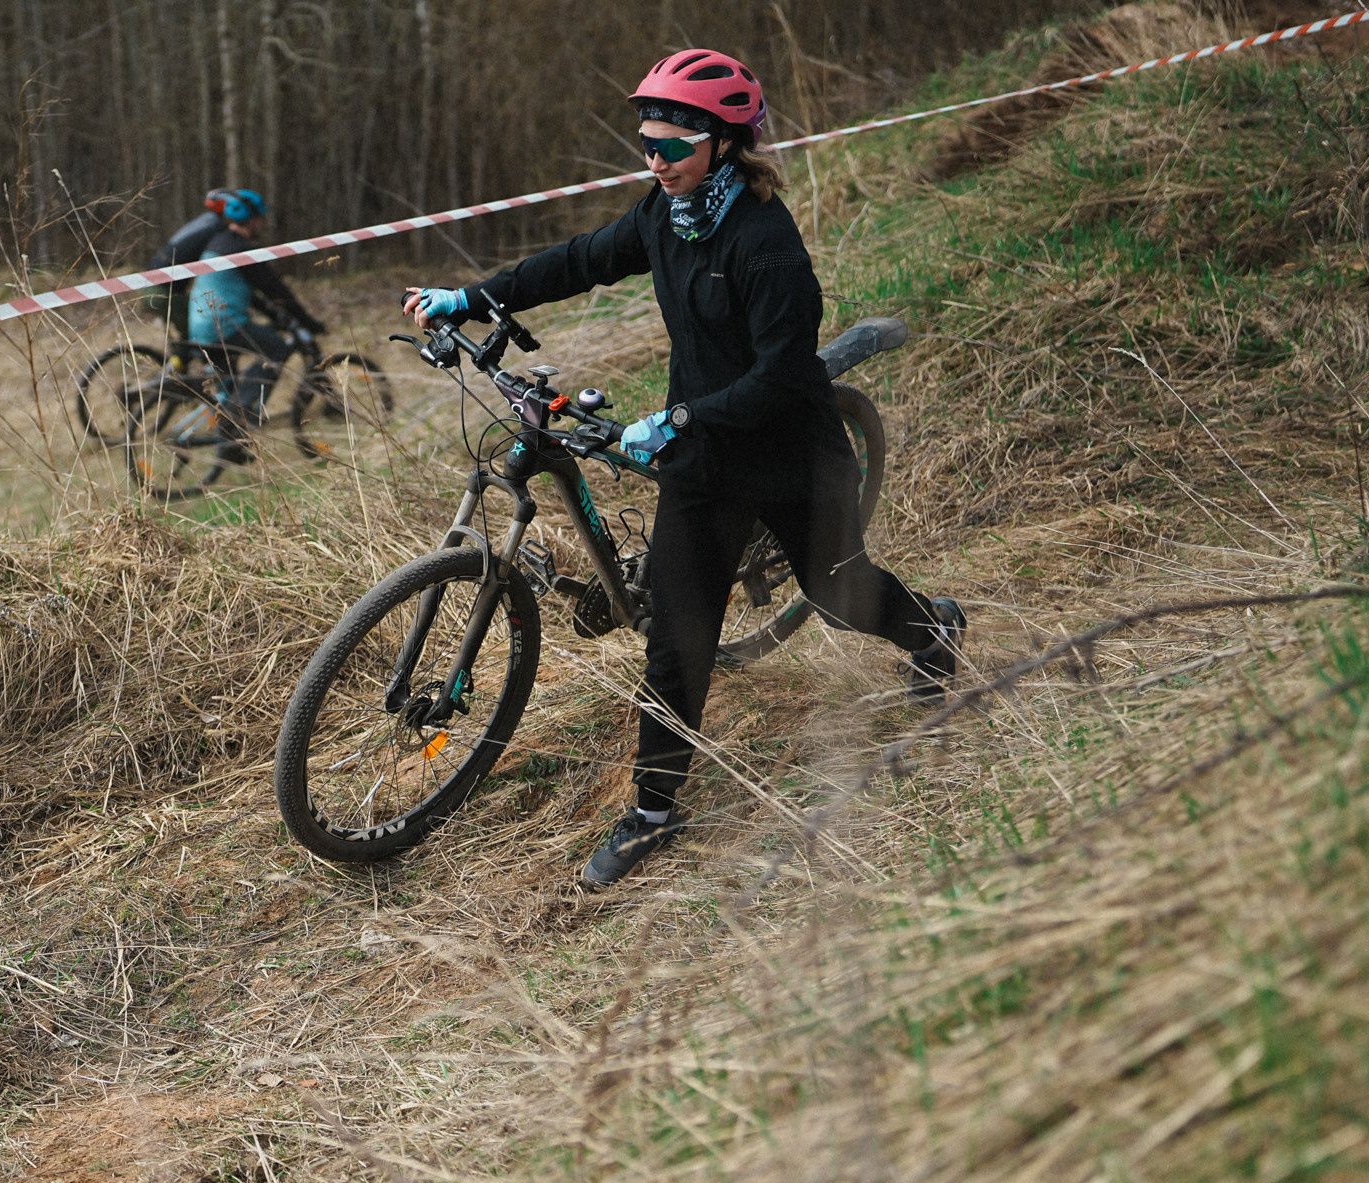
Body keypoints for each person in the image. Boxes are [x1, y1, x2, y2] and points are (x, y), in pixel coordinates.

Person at [403, 48, 966, 891]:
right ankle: (655, 813)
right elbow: (580, 260)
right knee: (676, 642)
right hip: (704, 467)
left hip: (790, 456)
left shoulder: (767, 245)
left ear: (724, 145)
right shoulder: (666, 216)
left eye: (671, 147)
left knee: (842, 596)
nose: (655, 162)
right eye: (646, 145)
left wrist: (678, 417)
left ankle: (934, 629)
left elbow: (781, 376)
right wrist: (478, 296)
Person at [166, 188, 322, 442]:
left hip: (201, 326)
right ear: (251, 219)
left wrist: (276, 315)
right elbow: (276, 290)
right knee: (277, 349)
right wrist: (308, 322)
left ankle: (232, 442)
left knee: (229, 386)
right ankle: (238, 413)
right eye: (260, 218)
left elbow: (255, 295)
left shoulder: (218, 244)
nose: (262, 224)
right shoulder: (243, 251)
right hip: (223, 327)